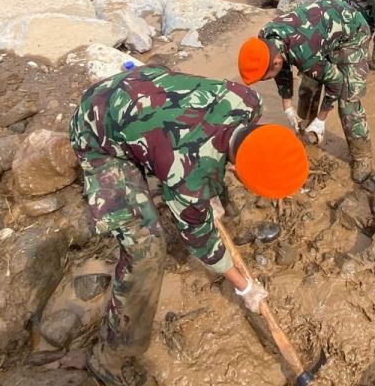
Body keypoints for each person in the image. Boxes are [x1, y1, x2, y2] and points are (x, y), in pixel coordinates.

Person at [71, 66, 309, 385]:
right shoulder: (187, 177)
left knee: (198, 175)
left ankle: (225, 222)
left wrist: (202, 190)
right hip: (95, 130)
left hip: (141, 86)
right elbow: (201, 243)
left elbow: (209, 145)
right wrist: (244, 286)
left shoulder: (246, 99)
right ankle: (111, 355)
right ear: (238, 172)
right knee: (147, 249)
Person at [238, 0, 373, 182]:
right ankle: (305, 129)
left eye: (264, 77)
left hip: (352, 34)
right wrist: (287, 105)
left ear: (275, 62)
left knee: (347, 98)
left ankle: (361, 155)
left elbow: (336, 82)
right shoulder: (267, 38)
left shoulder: (302, 53)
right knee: (308, 88)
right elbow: (281, 68)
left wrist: (322, 119)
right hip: (320, 33)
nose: (265, 80)